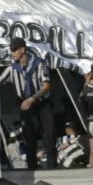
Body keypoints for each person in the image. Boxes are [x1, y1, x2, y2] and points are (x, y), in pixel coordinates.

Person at [8, 37, 57, 170]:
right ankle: (31, 169)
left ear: (22, 50)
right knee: (29, 137)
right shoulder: (12, 68)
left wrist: (31, 99)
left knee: (49, 136)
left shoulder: (40, 63)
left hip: (42, 103)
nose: (11, 52)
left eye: (14, 50)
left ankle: (52, 168)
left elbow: (46, 85)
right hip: (26, 106)